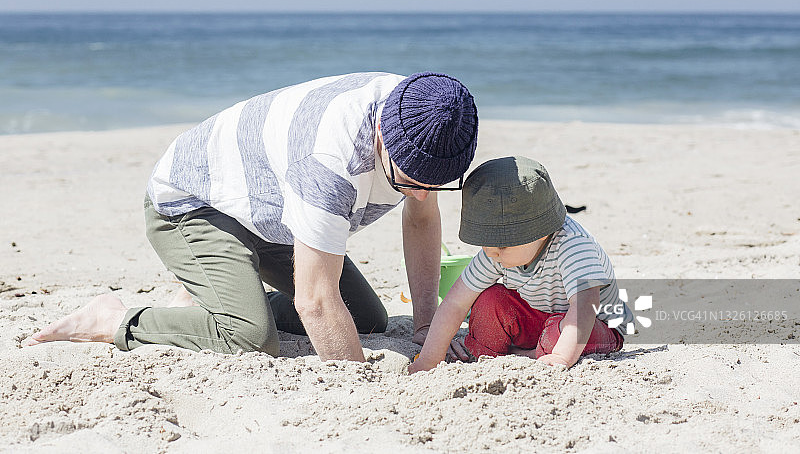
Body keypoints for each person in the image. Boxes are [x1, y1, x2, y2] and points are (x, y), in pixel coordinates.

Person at [25, 71, 479, 362]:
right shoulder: (329, 162)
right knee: (251, 337)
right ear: (384, 134)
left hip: (272, 211)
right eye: (409, 181)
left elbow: (421, 216)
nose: (421, 193)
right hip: (192, 203)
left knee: (368, 320)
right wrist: (356, 385)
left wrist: (424, 323)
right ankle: (113, 319)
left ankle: (221, 296)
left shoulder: (428, 112)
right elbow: (315, 303)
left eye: (435, 184)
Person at [409, 156, 630, 373]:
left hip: (593, 325)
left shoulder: (573, 245)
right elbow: (455, 304)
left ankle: (528, 355)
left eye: (502, 246)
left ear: (541, 233)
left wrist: (561, 357)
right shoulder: (496, 251)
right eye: (484, 241)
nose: (490, 251)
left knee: (558, 333)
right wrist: (429, 359)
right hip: (537, 316)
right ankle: (495, 355)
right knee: (489, 300)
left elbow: (585, 307)